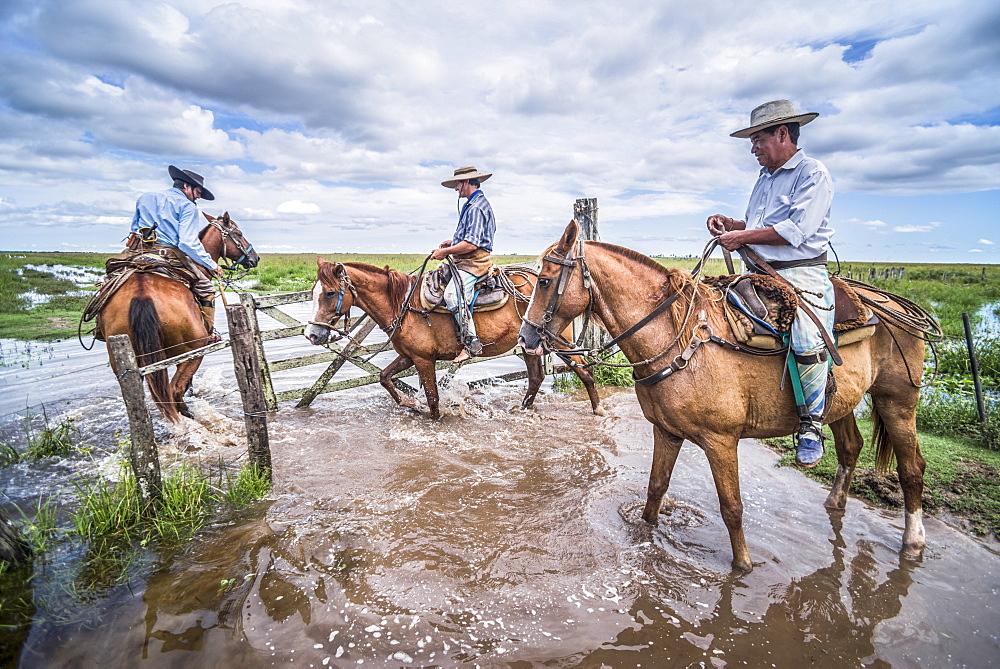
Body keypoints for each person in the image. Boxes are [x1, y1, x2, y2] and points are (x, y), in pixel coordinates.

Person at [706, 100, 835, 468]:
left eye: (758, 139)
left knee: (807, 333)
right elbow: (755, 224)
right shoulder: (764, 178)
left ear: (783, 134)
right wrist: (731, 225)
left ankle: (811, 424)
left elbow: (796, 231)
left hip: (799, 270)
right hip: (759, 269)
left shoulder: (812, 173)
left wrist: (740, 237)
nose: (753, 148)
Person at [129, 165, 225, 341]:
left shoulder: (145, 198)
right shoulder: (187, 206)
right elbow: (187, 242)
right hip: (169, 256)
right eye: (197, 192)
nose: (198, 197)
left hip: (138, 252)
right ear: (186, 187)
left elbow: (135, 229)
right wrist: (212, 265)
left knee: (111, 278)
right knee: (206, 288)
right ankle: (208, 333)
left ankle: (99, 325)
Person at [431, 166, 497, 363]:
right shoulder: (473, 204)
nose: (456, 188)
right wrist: (452, 243)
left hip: (474, 263)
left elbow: (471, 244)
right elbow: (470, 237)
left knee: (452, 296)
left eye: (458, 184)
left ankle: (472, 343)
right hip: (467, 259)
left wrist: (445, 252)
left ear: (468, 182)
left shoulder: (475, 208)